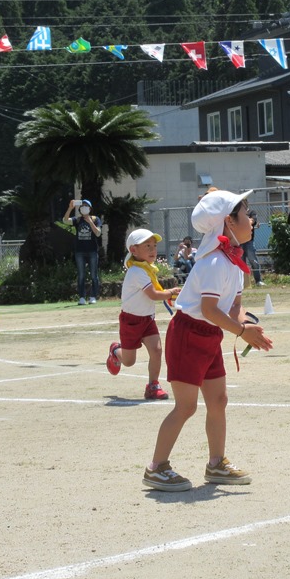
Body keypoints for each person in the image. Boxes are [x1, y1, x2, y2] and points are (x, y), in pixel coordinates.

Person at [142, 189, 273, 492]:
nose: (252, 221)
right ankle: (156, 467)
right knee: (186, 406)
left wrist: (247, 326)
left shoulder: (235, 263)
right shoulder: (214, 262)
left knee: (218, 401)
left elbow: (233, 308)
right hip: (188, 333)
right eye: (246, 215)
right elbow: (209, 309)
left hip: (209, 333)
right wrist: (241, 332)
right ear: (229, 221)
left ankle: (216, 464)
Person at [107, 228, 180, 401]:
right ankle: (116, 350)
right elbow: (154, 295)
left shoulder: (146, 269)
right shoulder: (137, 272)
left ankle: (153, 386)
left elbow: (154, 293)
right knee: (129, 361)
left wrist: (170, 294)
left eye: (154, 246)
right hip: (131, 321)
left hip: (147, 319)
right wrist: (171, 292)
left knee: (156, 350)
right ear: (133, 250)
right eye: (147, 246)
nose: (153, 250)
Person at [63, 198, 102, 305]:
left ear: (90, 208)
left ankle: (93, 296)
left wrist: (90, 222)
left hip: (92, 251)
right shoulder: (78, 220)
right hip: (79, 251)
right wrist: (70, 208)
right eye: (82, 206)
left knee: (94, 275)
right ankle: (82, 297)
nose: (84, 208)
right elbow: (65, 221)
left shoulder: (95, 219)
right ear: (80, 209)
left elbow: (98, 233)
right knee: (81, 275)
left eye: (86, 206)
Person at [240, 209, 265, 287]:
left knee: (253, 260)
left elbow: (253, 221)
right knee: (241, 262)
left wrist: (243, 221)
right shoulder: (237, 212)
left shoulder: (252, 212)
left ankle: (258, 280)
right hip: (239, 241)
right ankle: (242, 282)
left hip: (249, 241)